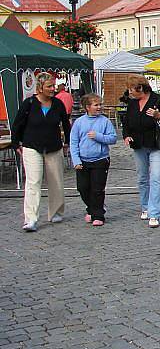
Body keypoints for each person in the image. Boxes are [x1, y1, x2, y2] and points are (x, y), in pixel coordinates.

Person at [11, 72, 71, 232]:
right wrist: (15, 142)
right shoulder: (29, 103)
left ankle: (56, 212)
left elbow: (65, 123)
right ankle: (31, 218)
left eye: (54, 86)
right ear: (40, 88)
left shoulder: (58, 104)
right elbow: (17, 124)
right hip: (32, 146)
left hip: (53, 146)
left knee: (56, 180)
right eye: (49, 86)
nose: (53, 89)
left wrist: (67, 142)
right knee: (33, 182)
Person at [122, 75, 160, 228]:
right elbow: (126, 121)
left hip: (155, 144)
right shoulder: (132, 103)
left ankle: (154, 213)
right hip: (138, 145)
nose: (129, 92)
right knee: (142, 178)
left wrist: (159, 116)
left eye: (131, 89)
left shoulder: (159, 100)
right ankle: (145, 206)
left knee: (156, 177)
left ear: (141, 88)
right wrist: (126, 136)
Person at [69, 94, 117, 226]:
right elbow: (73, 142)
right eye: (96, 105)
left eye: (100, 104)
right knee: (83, 188)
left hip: (100, 159)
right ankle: (91, 208)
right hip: (83, 161)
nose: (99, 107)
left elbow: (113, 138)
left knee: (97, 189)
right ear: (87, 107)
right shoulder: (79, 122)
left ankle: (98, 215)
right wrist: (76, 160)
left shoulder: (105, 121)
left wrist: (99, 136)